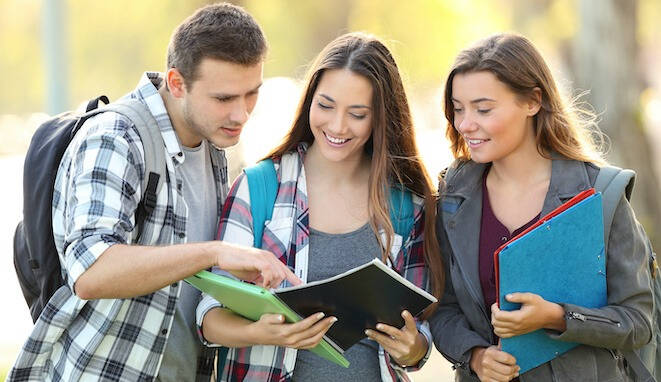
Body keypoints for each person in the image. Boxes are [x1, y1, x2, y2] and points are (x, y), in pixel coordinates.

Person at [8, 3, 299, 382]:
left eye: (251, 94)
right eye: (224, 98)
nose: (241, 114)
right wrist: (213, 253)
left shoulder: (211, 144)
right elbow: (91, 271)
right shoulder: (117, 137)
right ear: (176, 83)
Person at [195, 32, 444, 381]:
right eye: (325, 106)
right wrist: (264, 334)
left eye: (357, 114)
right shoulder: (259, 188)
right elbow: (208, 317)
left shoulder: (406, 206)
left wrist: (412, 347)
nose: (337, 126)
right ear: (309, 100)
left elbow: (418, 341)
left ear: (380, 119)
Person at [429, 33, 653, 382]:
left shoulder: (599, 195)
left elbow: (640, 321)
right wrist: (475, 356)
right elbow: (442, 308)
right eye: (458, 109)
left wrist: (557, 317)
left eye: (483, 109)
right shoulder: (452, 196)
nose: (465, 124)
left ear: (533, 101)